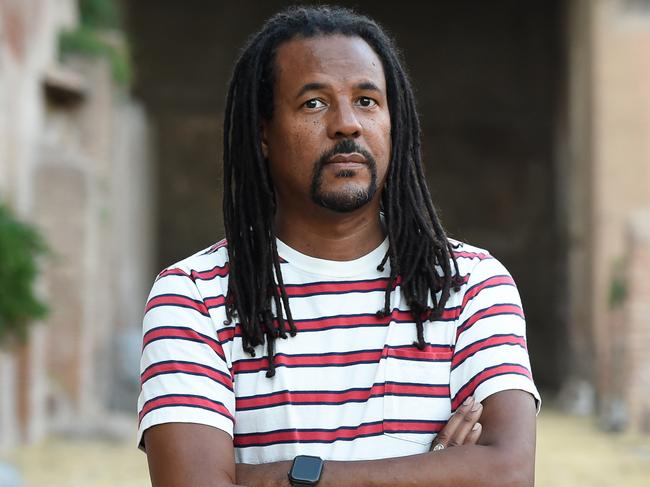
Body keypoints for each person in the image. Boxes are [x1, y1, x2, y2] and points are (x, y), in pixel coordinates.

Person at [138, 5, 540, 487]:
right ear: (263, 132)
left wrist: (287, 476)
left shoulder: (470, 284)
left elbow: (508, 472)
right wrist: (433, 470)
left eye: (367, 101)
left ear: (395, 120)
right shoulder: (193, 297)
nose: (347, 124)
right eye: (314, 103)